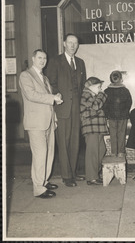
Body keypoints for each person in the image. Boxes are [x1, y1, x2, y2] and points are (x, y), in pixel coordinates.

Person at [19, 49, 63, 198]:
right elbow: (31, 95)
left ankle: (43, 181)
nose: (42, 60)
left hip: (48, 121)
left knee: (49, 153)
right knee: (40, 154)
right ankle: (38, 188)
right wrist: (52, 97)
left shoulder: (44, 78)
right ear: (33, 59)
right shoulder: (26, 75)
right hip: (36, 123)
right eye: (39, 58)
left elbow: (47, 100)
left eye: (44, 58)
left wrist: (54, 118)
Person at [46, 33, 86, 187]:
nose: (72, 45)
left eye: (75, 43)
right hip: (62, 107)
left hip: (76, 107)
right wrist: (56, 100)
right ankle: (66, 175)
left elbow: (82, 87)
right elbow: (51, 85)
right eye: (70, 42)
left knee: (75, 141)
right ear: (64, 44)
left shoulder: (81, 63)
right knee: (64, 141)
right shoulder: (56, 61)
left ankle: (73, 172)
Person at [80, 77, 108, 185]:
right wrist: (102, 95)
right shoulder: (86, 95)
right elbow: (96, 106)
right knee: (93, 153)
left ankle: (94, 174)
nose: (100, 89)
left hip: (97, 128)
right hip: (91, 128)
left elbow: (95, 109)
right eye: (98, 87)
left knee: (101, 149)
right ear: (90, 86)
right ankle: (91, 178)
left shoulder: (93, 96)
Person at [103, 71, 132, 157]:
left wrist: (107, 115)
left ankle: (113, 153)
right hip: (123, 117)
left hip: (111, 117)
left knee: (113, 135)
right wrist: (125, 112)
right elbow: (129, 103)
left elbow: (104, 104)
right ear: (121, 79)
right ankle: (121, 152)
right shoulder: (125, 90)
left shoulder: (106, 91)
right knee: (121, 134)